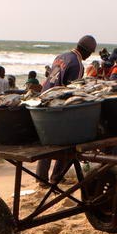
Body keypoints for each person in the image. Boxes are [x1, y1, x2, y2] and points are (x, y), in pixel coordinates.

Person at [39, 35, 97, 185]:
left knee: (47, 140)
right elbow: (72, 90)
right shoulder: (77, 64)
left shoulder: (61, 56)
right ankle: (56, 176)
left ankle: (41, 178)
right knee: (73, 142)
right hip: (56, 104)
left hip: (43, 101)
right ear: (88, 53)